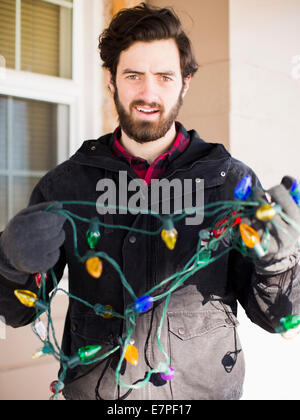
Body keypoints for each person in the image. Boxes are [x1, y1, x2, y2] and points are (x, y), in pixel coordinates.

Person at [0, 3, 300, 401]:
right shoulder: (67, 186)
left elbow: (279, 318)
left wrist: (280, 261)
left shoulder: (230, 183)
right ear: (111, 80)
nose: (148, 92)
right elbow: (19, 311)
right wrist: (9, 262)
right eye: (134, 75)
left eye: (163, 76)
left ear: (185, 82)